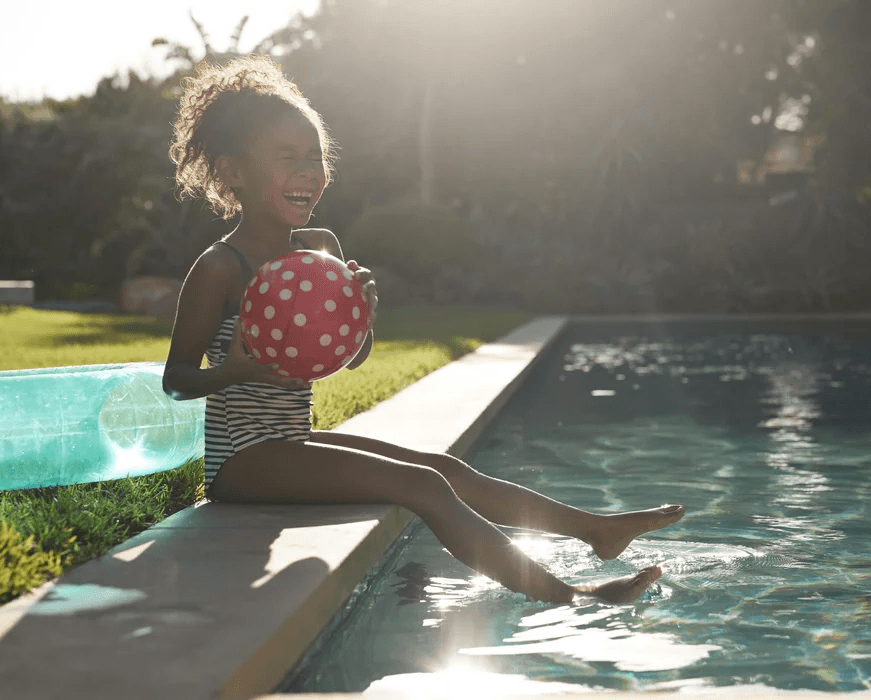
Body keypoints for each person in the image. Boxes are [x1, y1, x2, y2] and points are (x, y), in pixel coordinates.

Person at [160, 56, 684, 604]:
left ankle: (593, 529)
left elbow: (348, 360)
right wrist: (234, 371)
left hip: (289, 441)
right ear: (233, 172)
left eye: (315, 156)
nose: (309, 171)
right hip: (241, 464)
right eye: (287, 156)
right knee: (423, 486)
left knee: (442, 467)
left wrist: (362, 317)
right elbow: (175, 380)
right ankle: (573, 596)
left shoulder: (321, 251)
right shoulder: (221, 267)